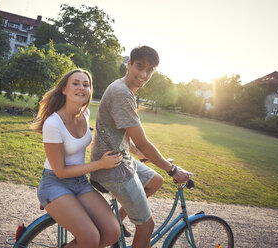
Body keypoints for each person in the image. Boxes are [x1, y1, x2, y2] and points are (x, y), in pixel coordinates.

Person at [90, 46, 190, 248]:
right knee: (147, 225)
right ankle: (109, 230)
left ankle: (117, 220)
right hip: (113, 168)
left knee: (155, 181)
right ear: (129, 65)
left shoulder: (125, 90)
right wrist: (173, 170)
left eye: (150, 70)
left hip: (120, 158)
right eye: (139, 67)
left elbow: (124, 130)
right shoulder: (122, 93)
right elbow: (143, 141)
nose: (144, 74)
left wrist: (137, 152)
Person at [32, 69, 122, 248]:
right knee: (90, 238)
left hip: (80, 183)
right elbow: (61, 171)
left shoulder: (85, 114)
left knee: (113, 233)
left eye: (86, 85)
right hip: (54, 183)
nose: (81, 87)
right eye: (76, 83)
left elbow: (85, 142)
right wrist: (99, 164)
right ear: (64, 89)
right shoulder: (53, 123)